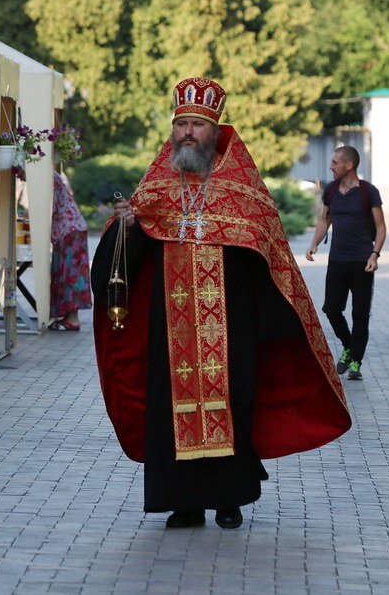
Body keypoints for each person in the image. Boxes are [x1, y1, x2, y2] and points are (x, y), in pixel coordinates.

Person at [91, 77, 351, 530]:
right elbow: (128, 260)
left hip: (232, 326)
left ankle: (228, 500)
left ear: (215, 131)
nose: (188, 133)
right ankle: (184, 504)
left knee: (233, 404)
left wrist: (269, 324)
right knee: (169, 411)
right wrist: (127, 229)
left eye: (197, 125)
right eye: (182, 125)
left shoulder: (243, 190)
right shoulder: (155, 188)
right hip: (170, 330)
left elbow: (270, 255)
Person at [305, 146, 386, 382]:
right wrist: (314, 243)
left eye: (335, 162)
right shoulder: (331, 190)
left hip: (362, 262)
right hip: (337, 260)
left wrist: (375, 255)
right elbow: (324, 220)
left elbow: (381, 226)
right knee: (331, 309)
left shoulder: (368, 192)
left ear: (348, 165)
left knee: (360, 314)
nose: (331, 166)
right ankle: (349, 346)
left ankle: (356, 362)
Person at [48, 169, 92, 331]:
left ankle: (72, 318)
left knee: (70, 274)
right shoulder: (49, 174)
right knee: (67, 272)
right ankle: (68, 316)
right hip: (69, 230)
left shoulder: (46, 177)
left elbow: (48, 208)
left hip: (69, 231)